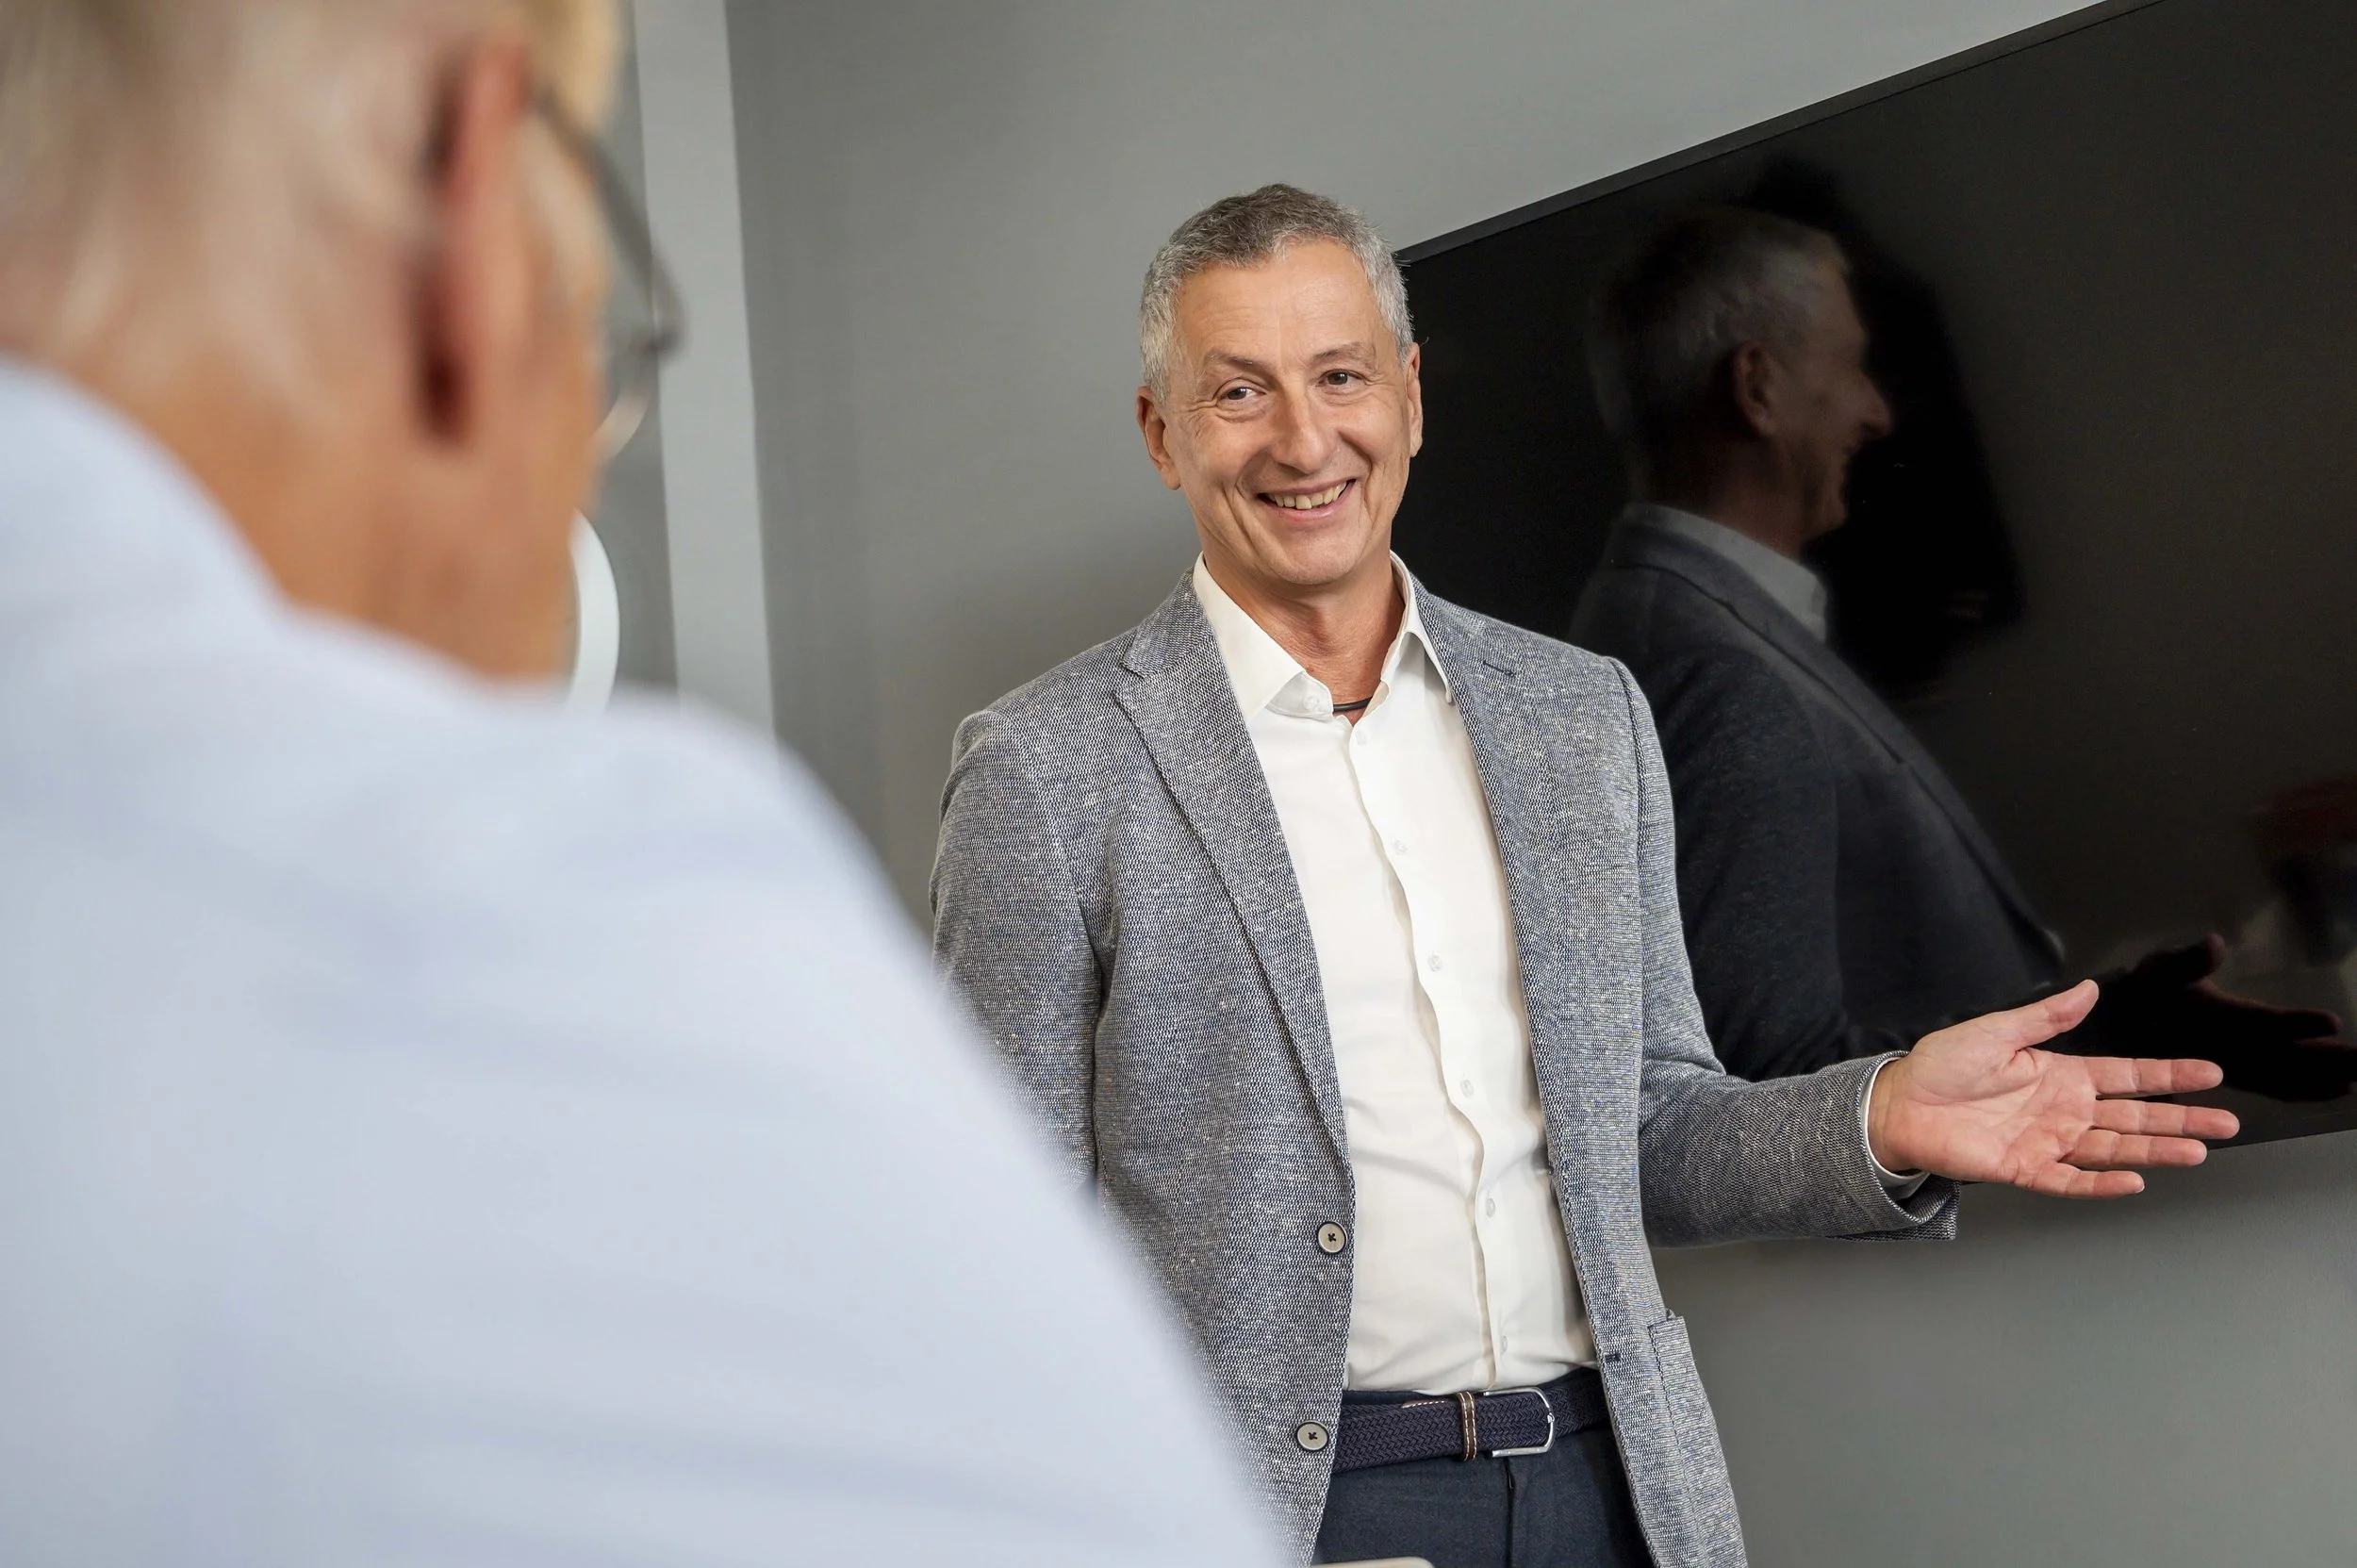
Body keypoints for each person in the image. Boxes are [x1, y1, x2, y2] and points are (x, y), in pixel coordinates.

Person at [0, 4, 1277, 1565]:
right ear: (469, 222)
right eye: (608, 359)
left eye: (1340, 377)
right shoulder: (541, 927)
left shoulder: (1573, 712)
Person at [931, 184, 2237, 1568]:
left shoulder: (1581, 713)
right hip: (1290, 1515)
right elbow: (995, 1249)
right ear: (1162, 432)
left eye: (1341, 376)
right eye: (1239, 391)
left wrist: (1882, 1113)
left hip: (1614, 1493)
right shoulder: (1044, 769)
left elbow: (1649, 1131)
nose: (1305, 439)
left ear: (1411, 397)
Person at [1569, 207, 2353, 1095]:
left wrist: (2092, 1010)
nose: (1877, 410)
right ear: (1758, 388)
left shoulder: (1681, 624)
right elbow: (1765, 1079)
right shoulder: (1716, 669)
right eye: (1853, 366)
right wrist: (2098, 1039)